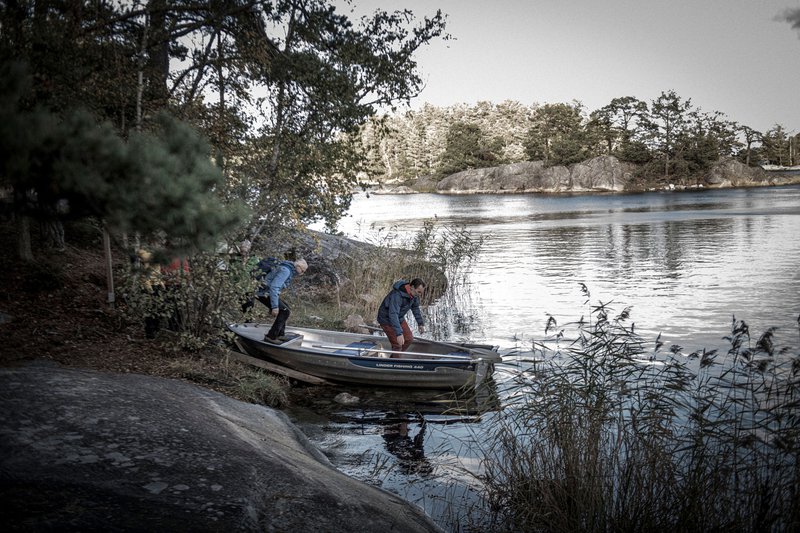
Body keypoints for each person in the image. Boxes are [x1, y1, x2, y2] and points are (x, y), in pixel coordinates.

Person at [256, 257, 308, 343]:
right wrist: (274, 306)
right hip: (263, 292)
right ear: (298, 267)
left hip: (265, 291)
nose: (302, 273)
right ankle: (271, 336)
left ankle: (280, 334)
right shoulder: (286, 271)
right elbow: (274, 287)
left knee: (285, 308)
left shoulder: (287, 267)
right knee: (284, 311)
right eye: (302, 271)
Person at [376, 278, 426, 355]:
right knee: (397, 344)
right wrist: (399, 334)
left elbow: (415, 308)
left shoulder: (414, 295)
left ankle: (395, 357)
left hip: (398, 317)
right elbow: (393, 314)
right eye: (418, 292)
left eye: (421, 293)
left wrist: (420, 324)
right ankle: (395, 362)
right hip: (386, 319)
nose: (419, 295)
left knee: (409, 339)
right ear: (412, 287)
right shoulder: (397, 295)